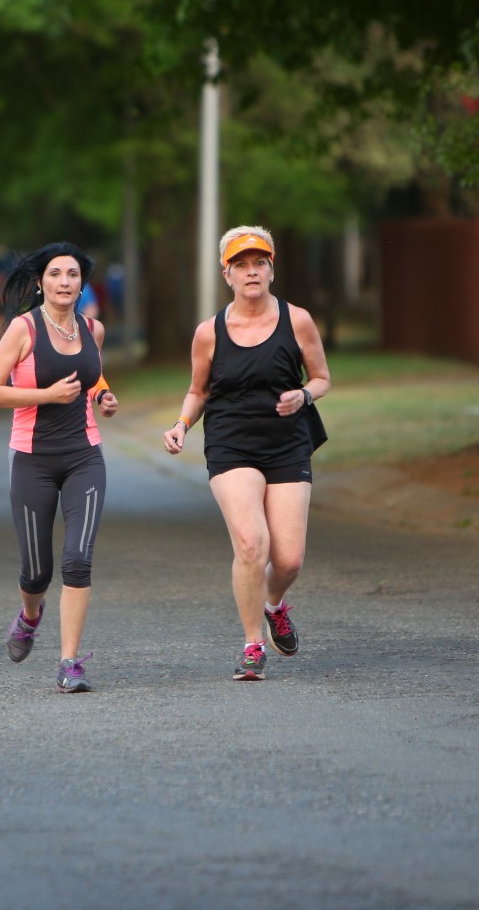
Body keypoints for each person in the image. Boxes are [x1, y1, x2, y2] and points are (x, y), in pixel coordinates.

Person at [162, 226, 329, 682]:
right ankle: (252, 645)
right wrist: (181, 425)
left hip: (287, 442)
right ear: (227, 275)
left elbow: (321, 378)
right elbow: (198, 391)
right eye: (240, 265)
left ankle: (273, 605)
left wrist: (303, 396)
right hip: (230, 443)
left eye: (259, 263)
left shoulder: (298, 320)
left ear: (272, 270)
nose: (251, 272)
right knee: (253, 543)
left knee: (289, 559)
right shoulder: (209, 332)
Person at [0, 242, 119, 693]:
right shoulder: (23, 329)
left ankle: (69, 662)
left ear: (82, 284)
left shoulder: (92, 328)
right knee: (37, 572)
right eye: (55, 274)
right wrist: (46, 396)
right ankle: (29, 615)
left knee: (77, 560)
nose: (64, 282)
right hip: (31, 458)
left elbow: (91, 374)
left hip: (84, 455)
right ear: (41, 282)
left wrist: (102, 395)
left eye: (73, 274)